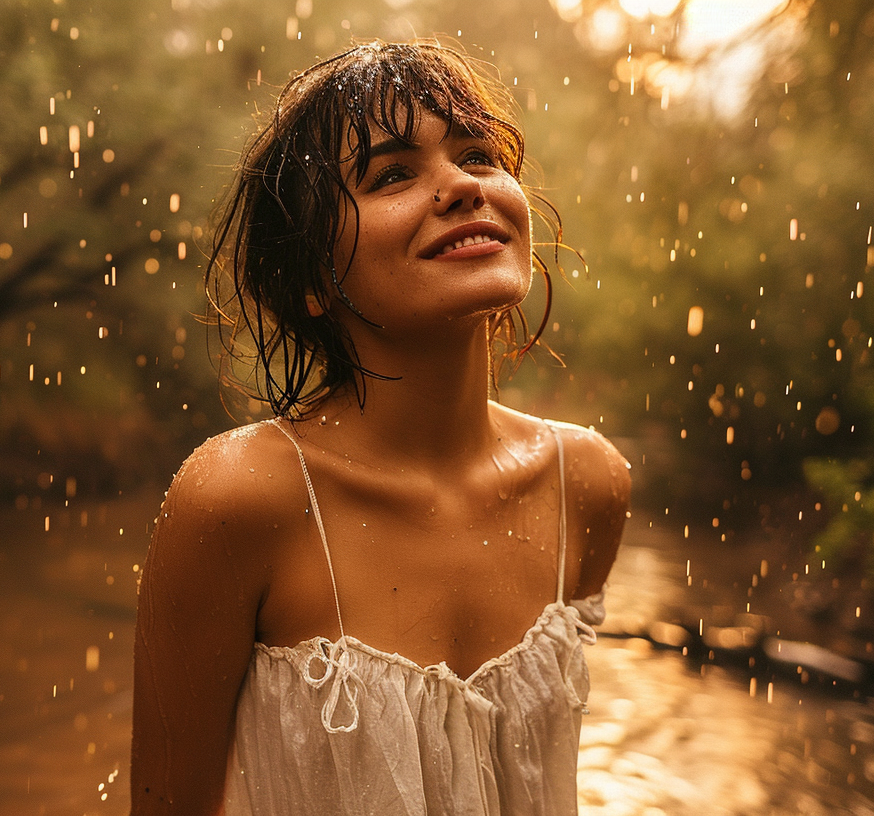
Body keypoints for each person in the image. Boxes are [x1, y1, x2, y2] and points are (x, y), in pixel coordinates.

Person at [131, 39, 630, 816]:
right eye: (393, 174)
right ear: (309, 283)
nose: (463, 187)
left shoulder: (588, 484)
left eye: (478, 155)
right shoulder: (238, 499)